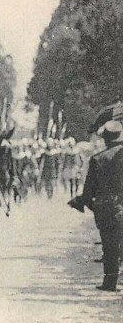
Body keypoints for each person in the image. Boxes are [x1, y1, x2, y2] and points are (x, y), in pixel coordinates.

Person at [68, 120, 123, 291]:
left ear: (105, 139)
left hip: (107, 209)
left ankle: (110, 282)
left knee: (110, 245)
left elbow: (89, 191)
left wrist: (80, 201)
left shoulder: (98, 159)